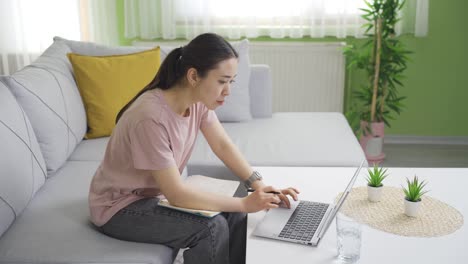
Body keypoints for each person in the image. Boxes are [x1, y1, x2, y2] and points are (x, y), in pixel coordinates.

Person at [88, 33, 299, 264]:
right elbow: (176, 195)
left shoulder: (198, 102)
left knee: (238, 208)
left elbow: (223, 145)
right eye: (222, 81)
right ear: (193, 76)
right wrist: (245, 203)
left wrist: (259, 186)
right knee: (211, 227)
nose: (228, 91)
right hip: (118, 207)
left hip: (152, 195)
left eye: (232, 81)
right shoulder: (150, 118)